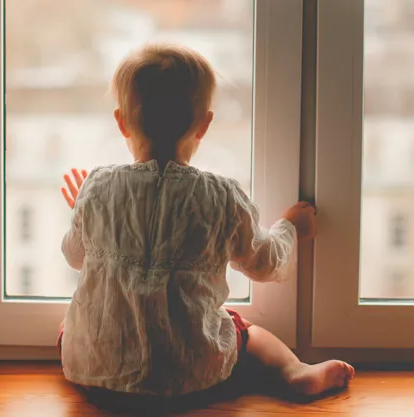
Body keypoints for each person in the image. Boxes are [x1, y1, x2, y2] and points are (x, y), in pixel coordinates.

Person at [56, 43, 354, 397]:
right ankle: (295, 370)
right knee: (244, 331)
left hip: (98, 377)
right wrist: (291, 226)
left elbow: (75, 256)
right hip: (190, 375)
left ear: (121, 122)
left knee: (72, 323)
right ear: (204, 125)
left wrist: (87, 212)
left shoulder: (98, 187)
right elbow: (264, 263)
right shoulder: (219, 196)